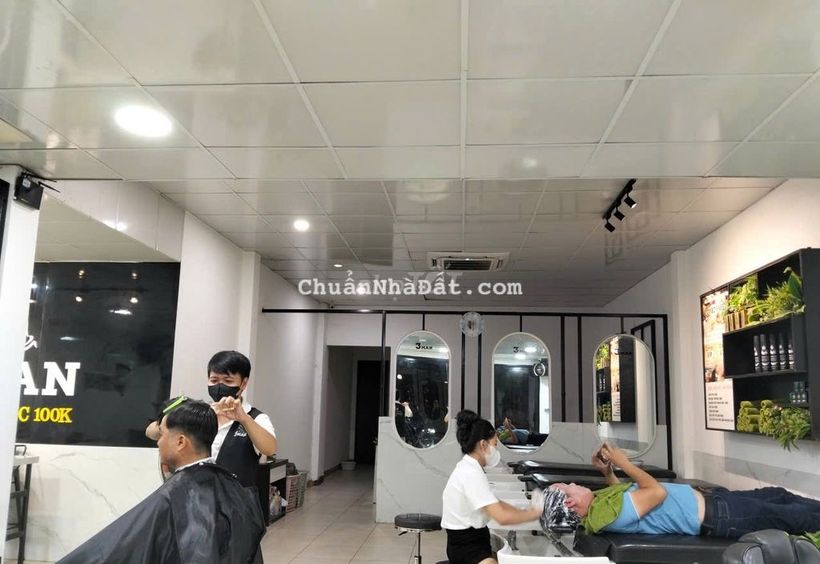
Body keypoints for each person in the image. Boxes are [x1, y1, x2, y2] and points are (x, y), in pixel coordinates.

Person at [59, 398, 265, 563]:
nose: (158, 442)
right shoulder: (233, 487)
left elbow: (114, 551)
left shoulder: (173, 497)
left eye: (162, 434)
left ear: (181, 442)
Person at [549, 442, 820, 540]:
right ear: (570, 504)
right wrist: (623, 462)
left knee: (780, 495)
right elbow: (656, 492)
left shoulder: (600, 509)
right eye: (568, 487)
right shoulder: (607, 517)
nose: (573, 484)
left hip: (716, 502)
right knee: (796, 517)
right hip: (720, 515)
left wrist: (608, 472)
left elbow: (625, 496)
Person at [147, 351, 277, 488]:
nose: (219, 386)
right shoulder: (199, 413)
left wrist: (244, 419)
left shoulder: (256, 418)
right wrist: (192, 418)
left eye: (228, 381)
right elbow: (150, 432)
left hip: (235, 498)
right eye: (214, 380)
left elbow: (269, 449)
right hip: (195, 493)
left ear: (243, 383)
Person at [441, 410, 545, 564]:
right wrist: (534, 514)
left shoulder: (469, 467)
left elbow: (495, 503)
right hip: (469, 550)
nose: (496, 451)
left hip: (471, 543)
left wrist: (524, 511)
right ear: (483, 445)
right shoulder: (471, 474)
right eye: (495, 444)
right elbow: (502, 517)